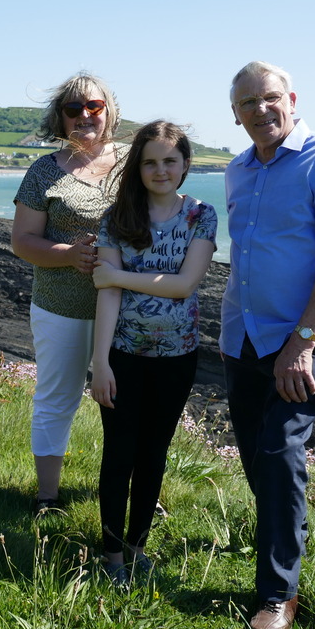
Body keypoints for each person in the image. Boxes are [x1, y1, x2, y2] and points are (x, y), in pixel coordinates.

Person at [220, 61, 315, 629]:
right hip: (244, 336)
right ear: (234, 115)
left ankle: (278, 593)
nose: (261, 110)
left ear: (291, 98)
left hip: (304, 340)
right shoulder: (236, 170)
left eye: (270, 98)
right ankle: (285, 538)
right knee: (260, 461)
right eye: (248, 104)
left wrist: (302, 344)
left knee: (282, 454)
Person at [88, 120, 217, 585]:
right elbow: (106, 297)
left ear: (185, 164)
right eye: (150, 162)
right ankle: (112, 559)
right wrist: (99, 362)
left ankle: (136, 547)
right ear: (137, 168)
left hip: (178, 358)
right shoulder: (118, 218)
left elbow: (184, 285)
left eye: (169, 160)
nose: (160, 170)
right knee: (118, 456)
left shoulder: (202, 215)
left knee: (153, 455)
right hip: (122, 355)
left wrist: (118, 274)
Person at [11, 72, 125, 515]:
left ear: (109, 112)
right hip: (62, 307)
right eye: (73, 109)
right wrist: (66, 255)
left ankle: (131, 492)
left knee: (127, 404)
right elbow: (22, 240)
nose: (84, 116)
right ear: (60, 118)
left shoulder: (136, 162)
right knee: (57, 397)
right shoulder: (43, 172)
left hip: (130, 307)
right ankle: (47, 497)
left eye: (93, 107)